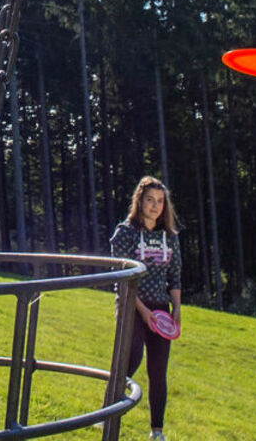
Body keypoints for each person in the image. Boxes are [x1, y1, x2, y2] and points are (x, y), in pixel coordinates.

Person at [110, 176, 181, 441]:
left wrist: (176, 309)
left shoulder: (170, 237)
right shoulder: (125, 232)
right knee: (132, 356)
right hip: (131, 303)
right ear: (139, 201)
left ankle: (157, 431)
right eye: (150, 200)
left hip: (161, 307)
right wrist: (141, 309)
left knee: (158, 369)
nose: (155, 206)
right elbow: (121, 274)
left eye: (160, 201)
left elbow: (175, 275)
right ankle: (109, 408)